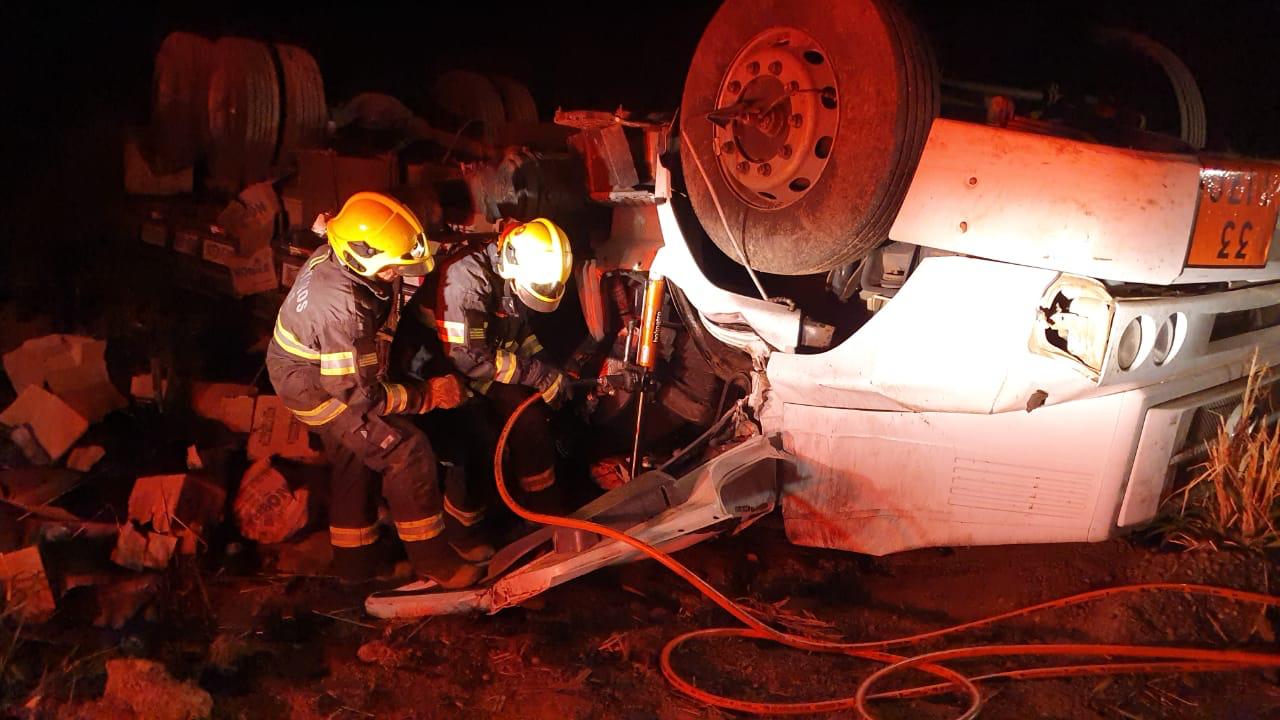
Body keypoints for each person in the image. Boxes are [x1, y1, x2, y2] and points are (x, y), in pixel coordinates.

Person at [265, 191, 484, 589]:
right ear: (362, 258)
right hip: (318, 390)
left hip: (305, 372)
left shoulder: (337, 251)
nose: (397, 274)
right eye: (392, 268)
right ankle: (434, 562)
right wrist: (427, 395)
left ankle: (355, 569)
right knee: (403, 449)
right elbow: (358, 395)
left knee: (355, 456)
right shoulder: (341, 309)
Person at [406, 218, 575, 521]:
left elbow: (519, 334)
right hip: (438, 364)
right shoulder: (466, 278)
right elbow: (467, 357)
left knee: (530, 418)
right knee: (481, 437)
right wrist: (538, 375)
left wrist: (548, 365)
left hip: (482, 360)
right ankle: (465, 527)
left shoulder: (518, 272)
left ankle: (542, 511)